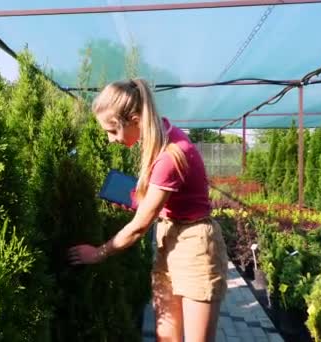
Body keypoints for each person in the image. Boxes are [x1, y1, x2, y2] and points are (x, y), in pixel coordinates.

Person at [68, 78, 229, 342]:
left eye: (112, 131)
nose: (110, 140)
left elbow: (139, 226)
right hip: (170, 236)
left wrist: (97, 254)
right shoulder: (160, 136)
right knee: (165, 335)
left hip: (195, 245)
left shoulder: (171, 154)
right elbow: (162, 199)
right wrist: (138, 200)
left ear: (133, 119)